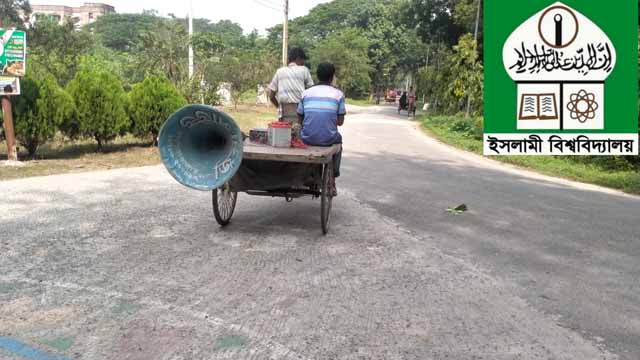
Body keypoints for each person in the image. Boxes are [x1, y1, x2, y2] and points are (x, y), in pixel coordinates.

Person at [297, 63, 345, 195]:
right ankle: (332, 180)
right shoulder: (338, 94)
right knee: (339, 142)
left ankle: (310, 175)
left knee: (303, 136)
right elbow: (340, 122)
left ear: (317, 76)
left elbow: (300, 119)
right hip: (328, 139)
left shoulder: (306, 93)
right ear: (332, 77)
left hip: (307, 138)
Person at [267, 47, 314, 138]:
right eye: (303, 60)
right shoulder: (304, 70)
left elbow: (271, 95)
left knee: (284, 137)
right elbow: (311, 90)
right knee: (298, 137)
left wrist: (278, 106)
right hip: (300, 110)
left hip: (283, 110)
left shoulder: (279, 71)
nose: (303, 62)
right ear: (298, 58)